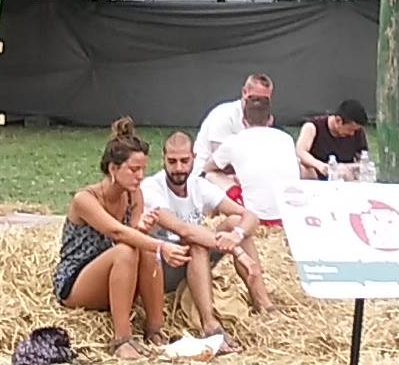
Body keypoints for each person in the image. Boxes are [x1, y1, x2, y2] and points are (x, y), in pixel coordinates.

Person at [53, 119, 189, 361]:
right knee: (127, 250)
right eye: (134, 169)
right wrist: (162, 245)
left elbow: (134, 235)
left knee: (142, 250)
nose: (140, 176)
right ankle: (122, 340)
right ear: (113, 169)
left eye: (143, 170)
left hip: (119, 277)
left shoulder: (134, 194)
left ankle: (156, 331)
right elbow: (117, 233)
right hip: (79, 281)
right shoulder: (85, 199)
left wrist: (142, 229)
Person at [141, 132, 276, 330]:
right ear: (163, 159)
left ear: (194, 159)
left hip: (193, 259)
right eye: (172, 161)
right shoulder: (152, 188)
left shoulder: (199, 185)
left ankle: (263, 303)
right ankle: (209, 323)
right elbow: (184, 231)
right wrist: (234, 249)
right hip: (163, 266)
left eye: (184, 161)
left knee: (235, 223)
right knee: (195, 243)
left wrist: (236, 235)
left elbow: (250, 216)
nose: (178, 168)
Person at [211, 97, 298, 227]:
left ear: (243, 121)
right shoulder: (287, 138)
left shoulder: (234, 141)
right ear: (270, 120)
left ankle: (211, 217)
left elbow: (209, 168)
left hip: (254, 217)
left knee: (211, 176)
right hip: (290, 215)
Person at [192, 74, 273, 189]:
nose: (259, 104)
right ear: (244, 92)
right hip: (207, 174)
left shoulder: (264, 118)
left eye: (265, 100)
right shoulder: (224, 115)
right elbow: (218, 162)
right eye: (255, 98)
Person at [295, 100, 369, 180]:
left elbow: (363, 160)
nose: (352, 134)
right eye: (349, 129)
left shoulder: (357, 132)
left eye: (355, 130)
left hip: (344, 176)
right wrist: (320, 165)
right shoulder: (312, 127)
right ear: (338, 121)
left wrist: (349, 167)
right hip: (317, 173)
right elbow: (300, 152)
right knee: (303, 172)